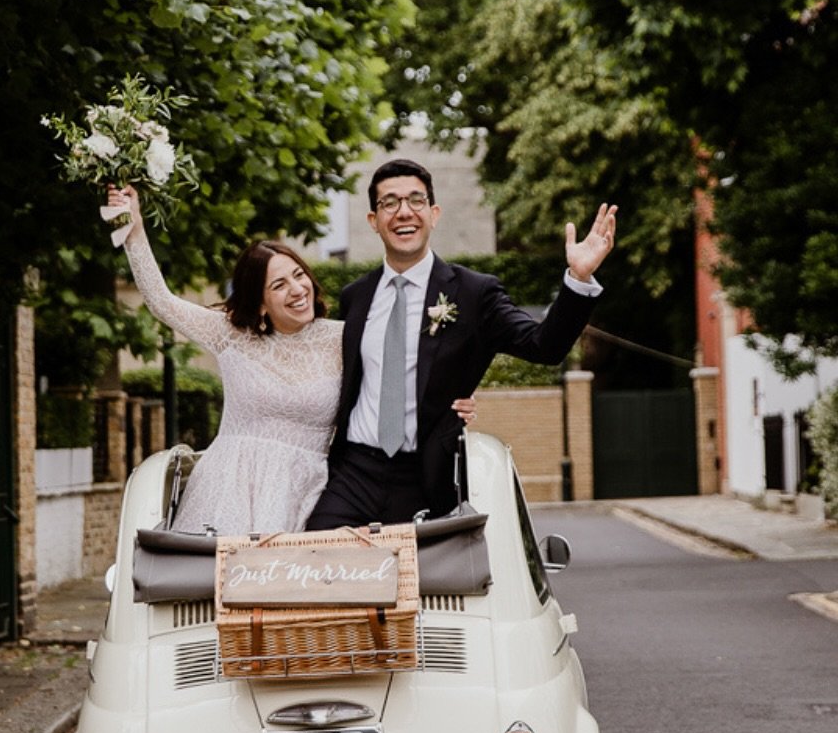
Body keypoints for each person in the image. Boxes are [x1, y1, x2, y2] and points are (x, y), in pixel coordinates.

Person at [103, 184, 479, 535]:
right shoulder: (231, 334)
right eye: (279, 285)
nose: (298, 290)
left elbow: (409, 368)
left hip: (308, 495)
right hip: (229, 490)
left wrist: (453, 398)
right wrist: (134, 230)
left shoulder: (341, 336)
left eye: (299, 275)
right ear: (260, 303)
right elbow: (161, 301)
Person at [305, 158, 617, 530]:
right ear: (374, 220)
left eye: (416, 200)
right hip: (353, 474)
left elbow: (543, 346)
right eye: (390, 203)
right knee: (320, 561)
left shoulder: (474, 293)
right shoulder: (356, 296)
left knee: (419, 584)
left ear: (433, 213)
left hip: (423, 478)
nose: (404, 212)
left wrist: (578, 279)